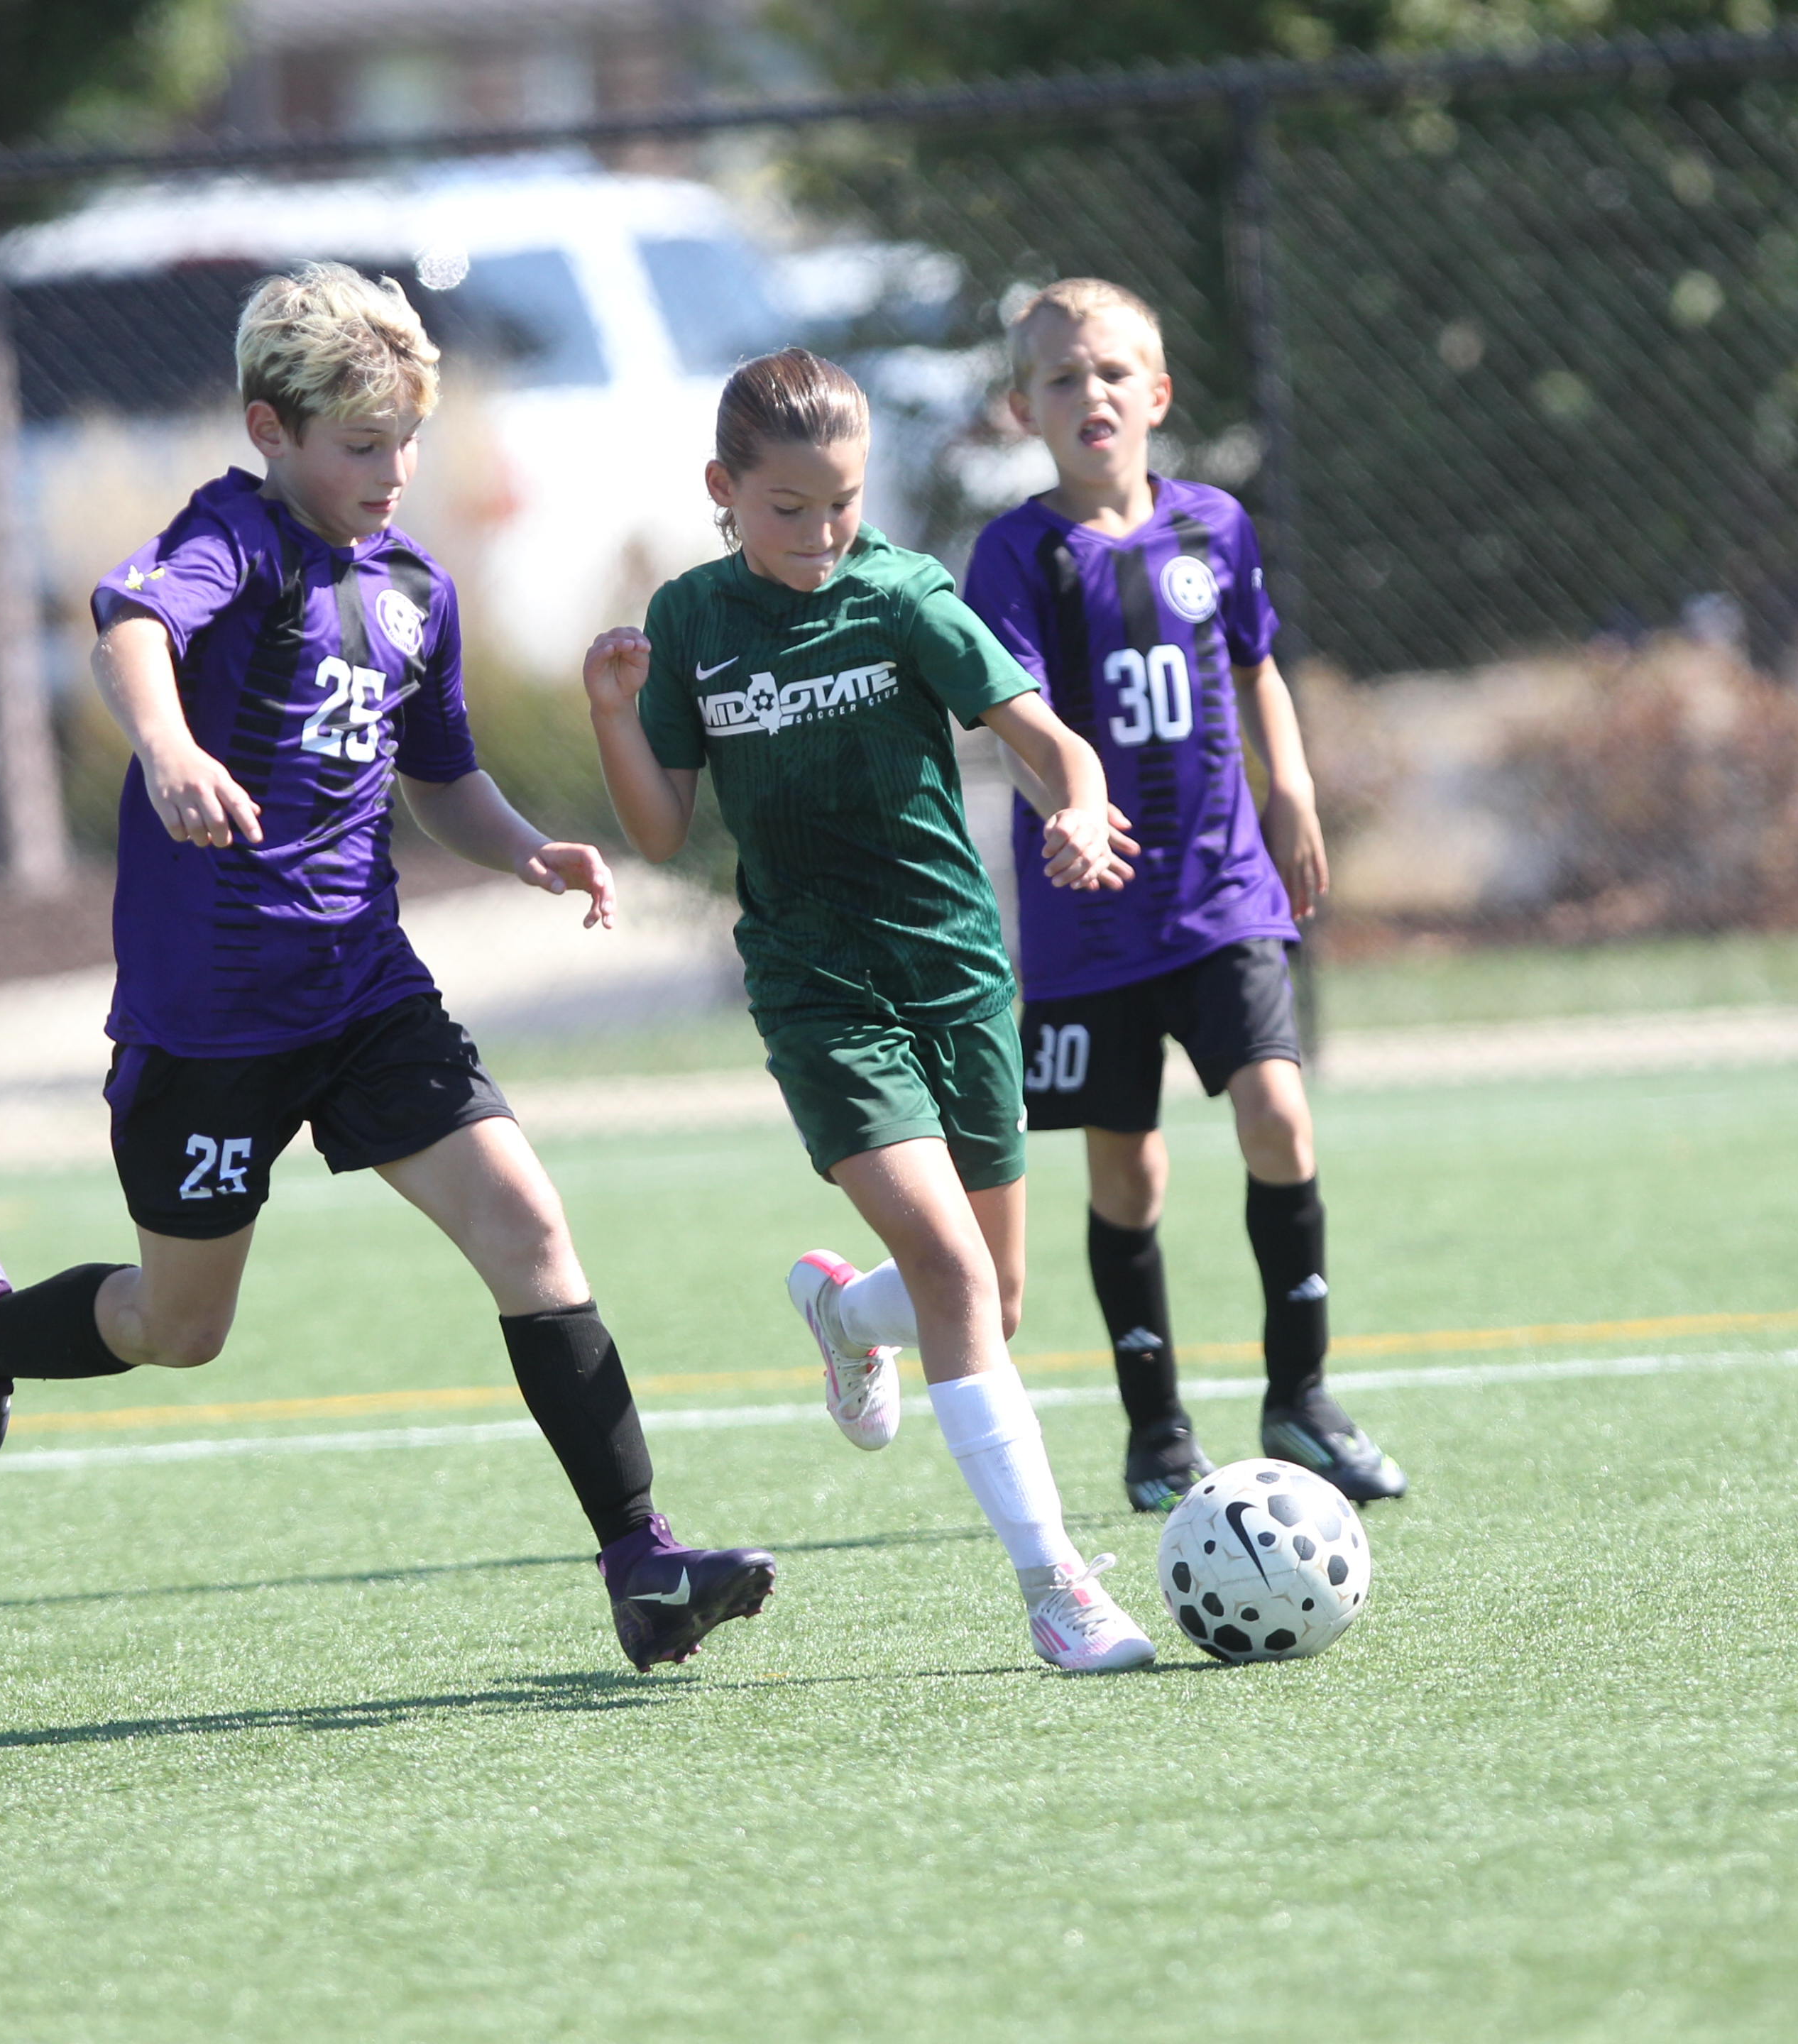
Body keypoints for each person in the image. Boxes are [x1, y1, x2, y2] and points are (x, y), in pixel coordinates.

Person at [0, 261, 776, 1673]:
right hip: (211, 1023)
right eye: (362, 445)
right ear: (272, 429)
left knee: (530, 1229)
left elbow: (440, 775)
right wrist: (169, 747)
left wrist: (528, 850)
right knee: (181, 1327)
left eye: (407, 441)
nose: (393, 472)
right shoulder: (236, 539)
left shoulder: (416, 588)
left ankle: (644, 1563)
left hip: (368, 994)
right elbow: (134, 627)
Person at [583, 345, 1156, 1674]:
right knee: (955, 1274)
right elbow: (660, 830)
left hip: (955, 974)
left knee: (995, 1301)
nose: (821, 532)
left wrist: (1078, 808)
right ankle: (1058, 1588)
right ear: (724, 490)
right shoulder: (691, 621)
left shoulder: (904, 596)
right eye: (789, 508)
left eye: (843, 502)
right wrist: (613, 715)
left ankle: (845, 1319)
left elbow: (1053, 744)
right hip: (819, 991)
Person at [961, 278, 1408, 1514]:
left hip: (1224, 891)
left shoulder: (1216, 526)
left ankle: (1301, 1399)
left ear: (1157, 393)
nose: (1090, 394)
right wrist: (1067, 808)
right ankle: (1156, 1433)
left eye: (1112, 372)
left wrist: (1292, 787)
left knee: (1280, 1117)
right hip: (1092, 916)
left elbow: (1256, 666)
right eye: (1061, 378)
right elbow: (1012, 714)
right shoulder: (1018, 555)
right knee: (1129, 1173)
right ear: (1024, 410)